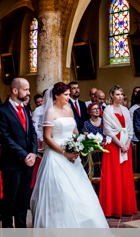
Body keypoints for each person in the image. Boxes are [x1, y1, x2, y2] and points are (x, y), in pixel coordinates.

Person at [30, 82, 109, 228]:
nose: (68, 97)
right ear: (56, 96)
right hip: (56, 156)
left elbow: (74, 132)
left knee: (81, 194)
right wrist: (64, 153)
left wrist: (78, 145)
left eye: (68, 94)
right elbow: (47, 137)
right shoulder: (50, 111)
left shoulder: (69, 109)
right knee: (63, 193)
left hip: (72, 155)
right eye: (65, 95)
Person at [0, 78, 37, 228]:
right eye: (26, 89)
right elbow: (5, 139)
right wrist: (24, 155)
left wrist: (33, 153)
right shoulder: (1, 111)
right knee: (10, 202)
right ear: (15, 90)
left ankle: (21, 236)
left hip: (27, 164)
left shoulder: (25, 109)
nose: (28, 92)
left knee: (23, 202)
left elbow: (32, 133)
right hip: (12, 164)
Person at [100, 85, 138, 217]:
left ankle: (125, 207)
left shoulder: (125, 110)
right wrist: (120, 144)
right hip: (113, 146)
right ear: (112, 96)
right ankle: (113, 208)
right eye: (117, 94)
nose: (120, 97)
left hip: (125, 147)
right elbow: (108, 131)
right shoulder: (107, 110)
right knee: (114, 176)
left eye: (121, 94)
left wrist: (127, 143)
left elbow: (130, 129)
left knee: (124, 177)